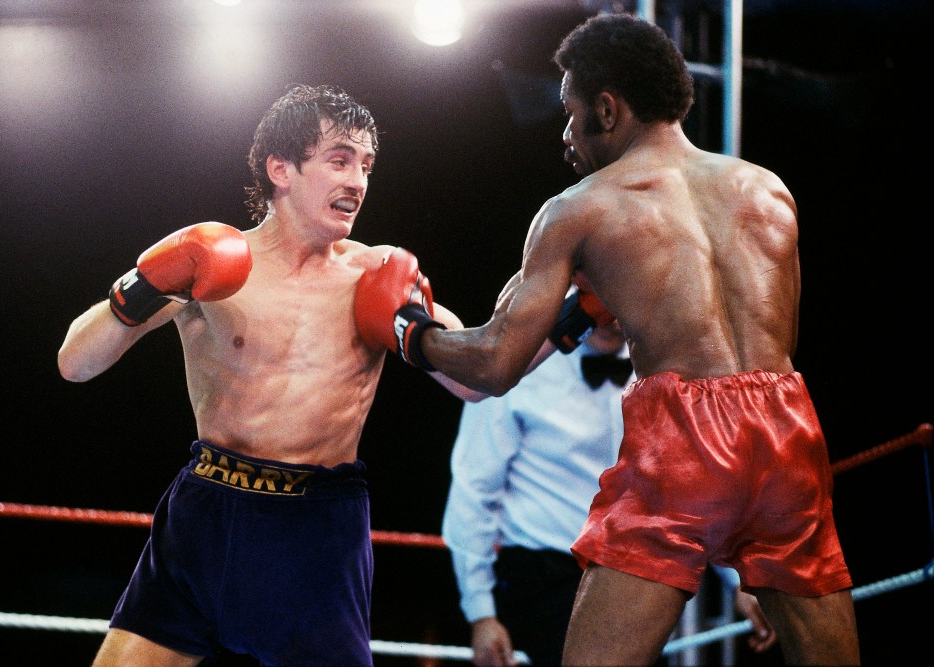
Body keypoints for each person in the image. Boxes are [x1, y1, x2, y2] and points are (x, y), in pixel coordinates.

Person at [357, 12, 860, 666]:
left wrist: (407, 332)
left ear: (607, 107)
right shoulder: (769, 191)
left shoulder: (581, 207)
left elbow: (494, 362)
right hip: (789, 433)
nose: (566, 135)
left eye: (570, 114)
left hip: (684, 442)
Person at [57, 83, 475, 667]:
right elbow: (75, 363)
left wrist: (559, 323)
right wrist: (145, 285)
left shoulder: (376, 274)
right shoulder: (212, 266)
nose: (357, 181)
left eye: (365, 165)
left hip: (316, 528)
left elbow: (475, 379)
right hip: (205, 511)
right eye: (339, 160)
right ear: (281, 168)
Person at [442, 322, 777, 667]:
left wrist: (739, 579)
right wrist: (481, 613)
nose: (609, 317)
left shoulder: (667, 370)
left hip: (636, 573)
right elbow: (473, 491)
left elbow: (697, 486)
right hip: (544, 577)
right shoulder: (517, 368)